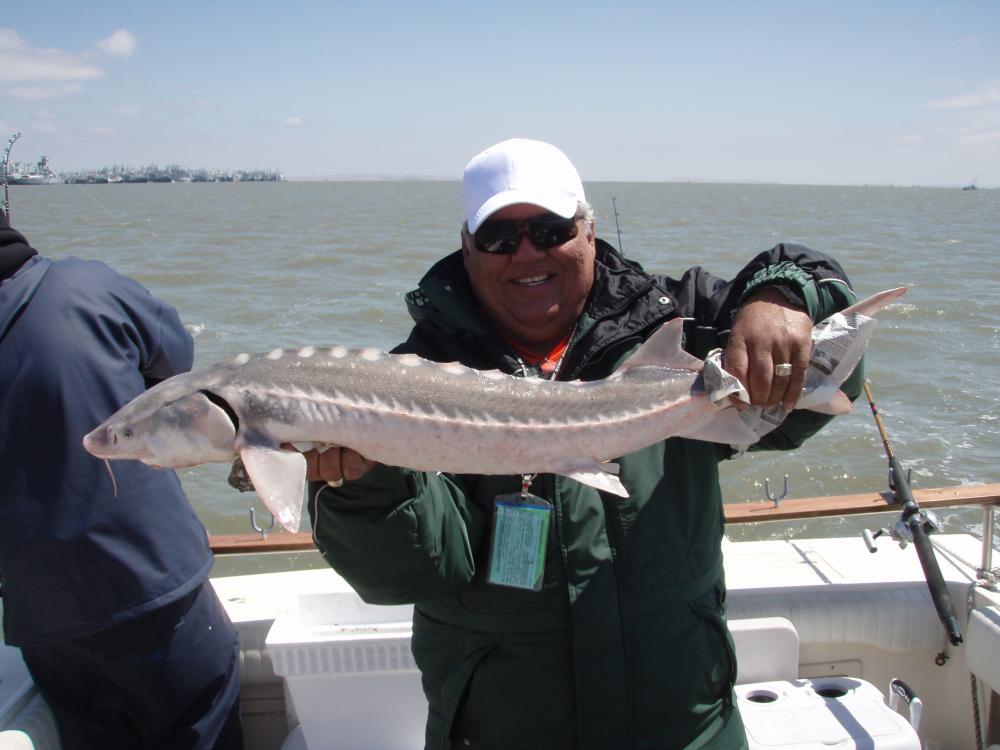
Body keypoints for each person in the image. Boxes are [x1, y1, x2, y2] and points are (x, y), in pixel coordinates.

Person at [305, 138, 861, 750]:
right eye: (497, 237)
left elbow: (827, 356)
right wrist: (361, 488)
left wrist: (782, 299)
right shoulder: (411, 379)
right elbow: (414, 571)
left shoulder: (678, 326)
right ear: (466, 249)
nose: (526, 253)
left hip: (686, 727)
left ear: (589, 230)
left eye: (549, 229)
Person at [0, 217, 243, 750]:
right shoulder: (85, 287)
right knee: (201, 724)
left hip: (41, 617)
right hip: (155, 592)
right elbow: (178, 364)